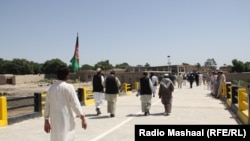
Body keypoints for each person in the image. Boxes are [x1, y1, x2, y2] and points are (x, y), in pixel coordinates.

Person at [44, 66, 87, 141]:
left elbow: (47, 105)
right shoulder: (69, 87)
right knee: (67, 137)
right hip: (66, 119)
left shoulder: (51, 88)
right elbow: (75, 104)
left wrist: (46, 121)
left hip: (54, 120)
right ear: (67, 76)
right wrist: (82, 118)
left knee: (56, 138)